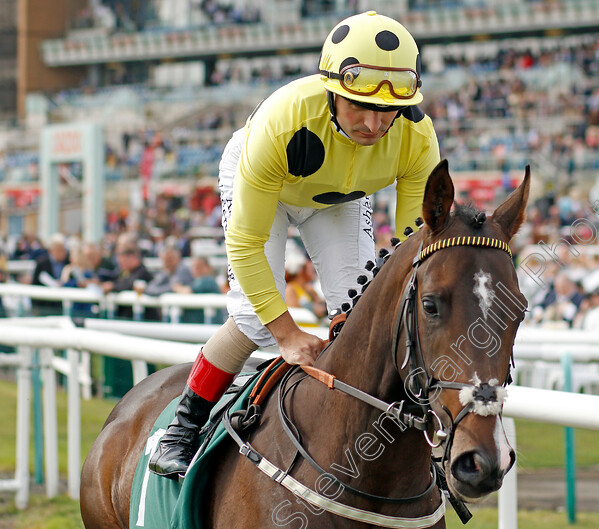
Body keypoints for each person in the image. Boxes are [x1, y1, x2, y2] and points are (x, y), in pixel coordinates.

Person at [149, 11, 440, 478]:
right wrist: (285, 334)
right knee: (251, 315)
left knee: (362, 310)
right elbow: (245, 242)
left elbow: (411, 244)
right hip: (265, 187)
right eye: (358, 107)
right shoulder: (281, 121)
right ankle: (183, 427)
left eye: (387, 110)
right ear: (332, 93)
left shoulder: (419, 138)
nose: (373, 123)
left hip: (338, 199)